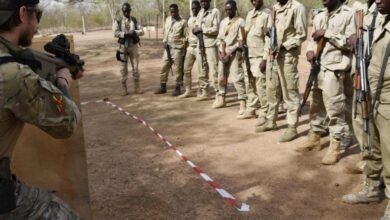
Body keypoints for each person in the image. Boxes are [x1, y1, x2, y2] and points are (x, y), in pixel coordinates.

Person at [0, 0, 82, 218]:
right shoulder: (14, 75)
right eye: (38, 15)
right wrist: (62, 82)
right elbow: (67, 121)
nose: (37, 25)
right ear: (22, 14)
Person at [342, 0, 390, 218]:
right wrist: (353, 40)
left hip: (388, 92)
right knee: (368, 142)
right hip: (365, 88)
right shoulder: (370, 13)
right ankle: (371, 187)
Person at [296, 0, 356, 165]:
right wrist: (309, 52)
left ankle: (335, 145)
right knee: (316, 105)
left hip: (334, 68)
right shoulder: (319, 16)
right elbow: (313, 40)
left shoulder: (348, 14)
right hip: (318, 67)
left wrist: (327, 33)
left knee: (334, 109)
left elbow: (350, 43)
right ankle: (315, 137)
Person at [256, 0, 307, 143]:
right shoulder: (274, 8)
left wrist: (283, 46)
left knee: (289, 92)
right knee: (272, 90)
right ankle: (271, 121)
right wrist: (266, 55)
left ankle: (292, 127)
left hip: (287, 55)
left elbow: (301, 35)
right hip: (273, 56)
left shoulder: (297, 8)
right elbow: (270, 37)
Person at [212, 0, 246, 115]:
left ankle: (242, 102)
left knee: (237, 78)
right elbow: (219, 39)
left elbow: (241, 42)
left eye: (230, 9)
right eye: (226, 9)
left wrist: (229, 53)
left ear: (235, 8)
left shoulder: (241, 22)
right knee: (221, 77)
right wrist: (221, 53)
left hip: (235, 54)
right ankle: (221, 98)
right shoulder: (223, 22)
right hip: (223, 54)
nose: (228, 11)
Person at [239, 0, 270, 121]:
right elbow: (245, 32)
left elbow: (268, 39)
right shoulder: (250, 14)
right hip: (248, 55)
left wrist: (265, 58)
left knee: (261, 85)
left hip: (259, 56)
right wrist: (241, 40)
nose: (254, 1)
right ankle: (251, 108)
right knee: (249, 83)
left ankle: (264, 111)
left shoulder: (267, 14)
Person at [155, 4, 187, 96]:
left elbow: (186, 37)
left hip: (178, 49)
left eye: (174, 11)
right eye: (171, 11)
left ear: (178, 11)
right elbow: (165, 32)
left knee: (178, 69)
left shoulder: (183, 22)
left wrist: (183, 51)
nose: (173, 13)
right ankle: (163, 86)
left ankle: (177, 88)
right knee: (163, 67)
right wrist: (164, 41)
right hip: (168, 48)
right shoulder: (168, 20)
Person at [193, 0, 221, 102]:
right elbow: (196, 27)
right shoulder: (200, 12)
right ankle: (205, 92)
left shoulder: (215, 12)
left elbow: (216, 29)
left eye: (205, 0)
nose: (203, 2)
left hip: (211, 45)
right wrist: (196, 30)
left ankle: (219, 94)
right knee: (201, 69)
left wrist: (202, 29)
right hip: (200, 44)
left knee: (214, 70)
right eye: (201, 1)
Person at [113, 3, 144, 96]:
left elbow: (142, 31)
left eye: (128, 10)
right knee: (123, 68)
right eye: (124, 11)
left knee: (135, 68)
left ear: (130, 10)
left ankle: (137, 88)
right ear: (122, 11)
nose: (126, 12)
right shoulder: (118, 20)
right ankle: (124, 88)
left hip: (133, 46)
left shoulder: (134, 20)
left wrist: (134, 32)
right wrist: (125, 34)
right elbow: (115, 33)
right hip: (123, 47)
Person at [179, 1, 201, 99]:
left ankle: (201, 91)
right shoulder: (190, 19)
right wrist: (185, 47)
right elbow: (187, 34)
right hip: (190, 47)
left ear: (199, 8)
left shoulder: (202, 18)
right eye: (193, 8)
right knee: (186, 69)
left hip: (199, 46)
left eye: (196, 8)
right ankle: (188, 90)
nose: (194, 10)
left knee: (201, 71)